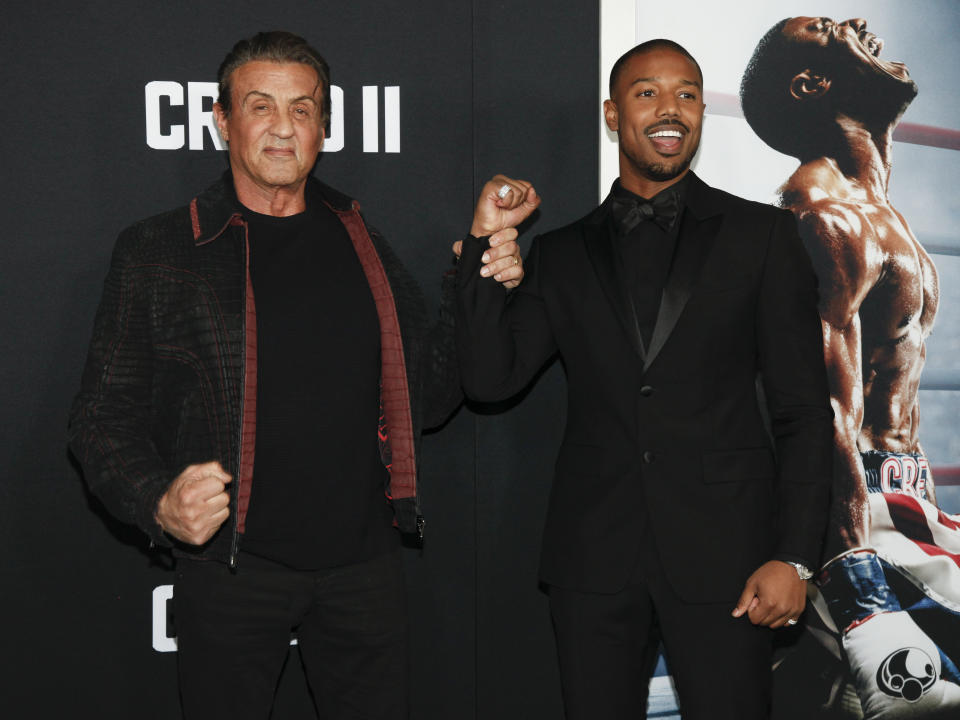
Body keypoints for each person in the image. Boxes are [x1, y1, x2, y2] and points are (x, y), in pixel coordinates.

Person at [68, 31, 522, 720]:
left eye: (303, 108)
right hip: (232, 571)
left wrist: (480, 269)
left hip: (364, 569)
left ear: (325, 126)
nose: (284, 126)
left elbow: (426, 395)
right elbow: (100, 419)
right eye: (261, 105)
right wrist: (158, 502)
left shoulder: (362, 240)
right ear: (222, 120)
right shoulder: (159, 251)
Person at [455, 39, 833, 720]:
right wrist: (482, 252)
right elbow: (489, 380)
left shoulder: (763, 237)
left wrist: (796, 558)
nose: (672, 110)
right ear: (611, 113)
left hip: (732, 563)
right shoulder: (561, 253)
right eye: (648, 92)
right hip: (593, 563)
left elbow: (804, 412)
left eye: (687, 93)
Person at [742, 17, 960, 717]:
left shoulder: (880, 212)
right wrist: (851, 569)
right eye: (831, 29)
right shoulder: (822, 210)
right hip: (854, 515)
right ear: (811, 83)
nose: (861, 24)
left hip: (904, 499)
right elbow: (822, 407)